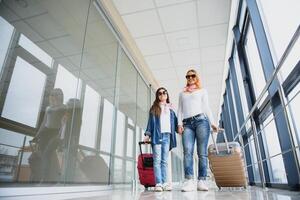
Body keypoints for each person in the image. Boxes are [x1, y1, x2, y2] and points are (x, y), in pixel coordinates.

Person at [177, 69, 218, 192]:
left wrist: (213, 123)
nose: (190, 78)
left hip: (201, 121)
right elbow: (180, 110)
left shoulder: (202, 91)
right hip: (187, 124)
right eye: (188, 76)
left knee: (202, 153)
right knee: (187, 151)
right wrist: (179, 124)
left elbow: (206, 107)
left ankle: (201, 180)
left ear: (196, 77)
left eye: (192, 76)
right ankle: (189, 180)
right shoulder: (182, 93)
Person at [144, 87, 178, 192]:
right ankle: (158, 183)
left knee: (164, 161)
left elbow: (176, 124)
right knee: (157, 161)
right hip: (157, 136)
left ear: (167, 95)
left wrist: (181, 127)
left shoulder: (171, 110)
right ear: (157, 96)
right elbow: (150, 123)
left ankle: (165, 183)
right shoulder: (154, 108)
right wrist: (147, 134)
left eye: (164, 93)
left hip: (167, 136)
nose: (162, 95)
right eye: (160, 93)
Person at [31, 88, 67, 182]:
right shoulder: (48, 108)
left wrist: (60, 136)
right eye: (53, 94)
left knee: (48, 154)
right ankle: (43, 176)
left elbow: (64, 124)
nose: (54, 96)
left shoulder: (64, 107)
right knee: (43, 154)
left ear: (60, 96)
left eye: (57, 94)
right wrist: (37, 135)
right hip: (45, 132)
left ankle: (48, 177)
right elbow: (43, 122)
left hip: (55, 132)